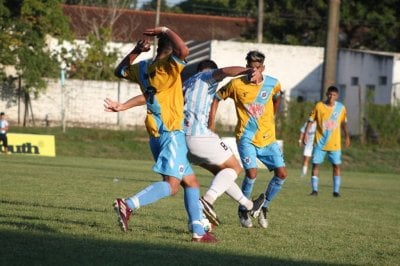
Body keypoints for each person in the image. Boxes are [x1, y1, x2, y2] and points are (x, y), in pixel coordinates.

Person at [104, 26, 216, 242]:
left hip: (157, 133)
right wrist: (166, 29)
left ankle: (198, 232)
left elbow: (120, 71)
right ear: (171, 50)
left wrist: (136, 51)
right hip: (171, 132)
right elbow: (184, 51)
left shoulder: (144, 67)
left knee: (191, 182)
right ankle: (127, 205)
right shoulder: (168, 67)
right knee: (172, 186)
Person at [209, 51, 288, 229]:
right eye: (250, 67)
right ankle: (244, 209)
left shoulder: (273, 83)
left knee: (282, 174)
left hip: (268, 138)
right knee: (252, 173)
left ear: (263, 68)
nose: (253, 71)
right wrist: (211, 124)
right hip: (246, 137)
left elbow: (277, 98)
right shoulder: (236, 84)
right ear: (246, 67)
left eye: (257, 68)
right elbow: (216, 98)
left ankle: (262, 207)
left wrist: (272, 116)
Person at [182, 60, 266, 227]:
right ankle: (207, 201)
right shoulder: (207, 76)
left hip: (182, 140)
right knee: (234, 167)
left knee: (221, 173)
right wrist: (249, 70)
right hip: (198, 135)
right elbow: (226, 71)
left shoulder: (187, 82)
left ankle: (250, 206)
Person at [302, 85, 350, 197]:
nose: (331, 97)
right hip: (320, 142)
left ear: (337, 96)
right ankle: (314, 190)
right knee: (315, 165)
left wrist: (347, 136)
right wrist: (305, 134)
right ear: (326, 94)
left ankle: (336, 191)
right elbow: (310, 120)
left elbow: (344, 123)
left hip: (335, 143)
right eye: (329, 94)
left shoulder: (341, 108)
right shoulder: (319, 106)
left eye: (333, 95)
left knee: (336, 166)